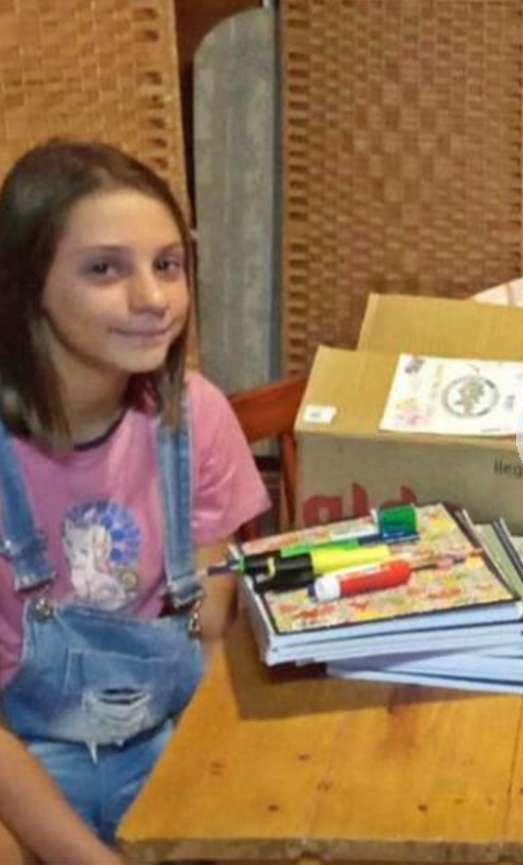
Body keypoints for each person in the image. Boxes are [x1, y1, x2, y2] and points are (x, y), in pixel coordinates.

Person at [0, 140, 269, 863]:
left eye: (167, 264)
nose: (152, 299)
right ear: (26, 284)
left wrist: (216, 793)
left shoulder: (196, 418)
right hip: (19, 762)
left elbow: (209, 634)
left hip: (163, 742)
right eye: (104, 269)